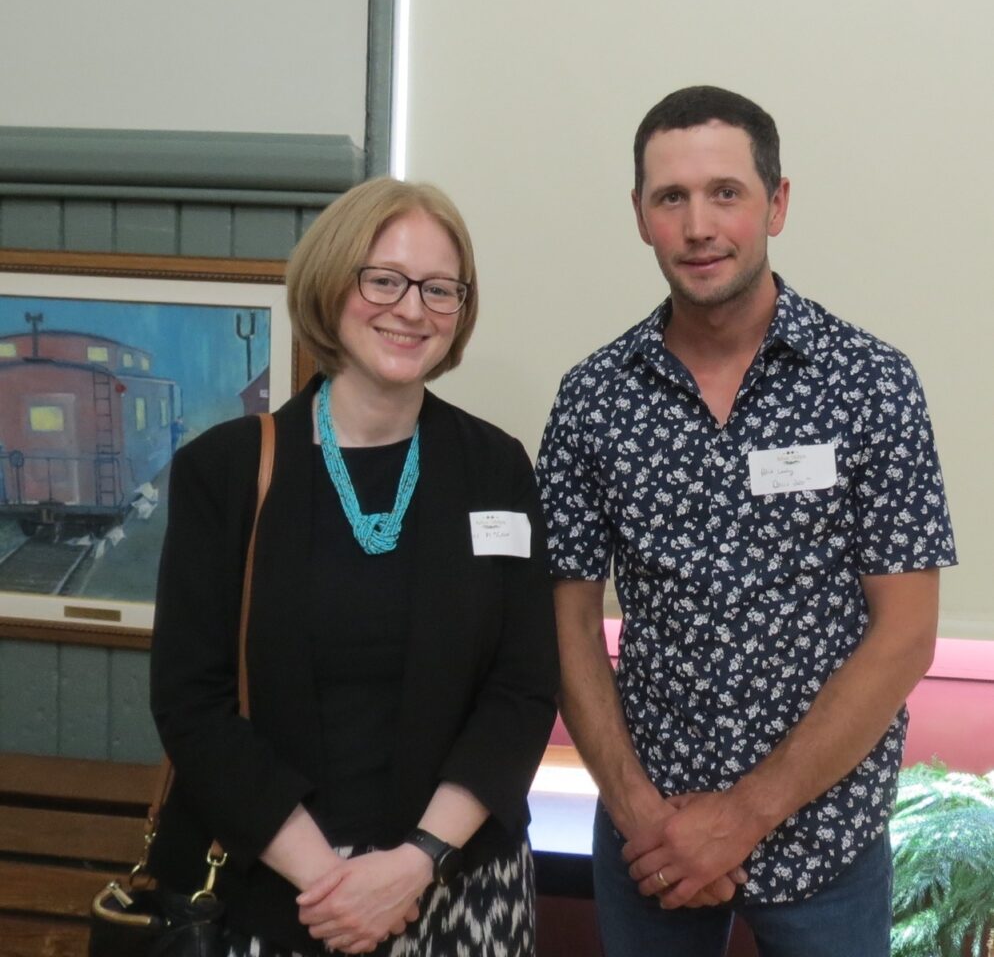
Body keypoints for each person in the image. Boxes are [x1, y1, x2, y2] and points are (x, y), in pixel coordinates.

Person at [535, 86, 956, 957]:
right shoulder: (593, 400)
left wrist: (739, 818)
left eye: (725, 192)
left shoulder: (870, 384)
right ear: (640, 217)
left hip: (826, 843)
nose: (698, 226)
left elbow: (906, 635)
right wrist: (641, 810)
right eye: (671, 198)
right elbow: (566, 620)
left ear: (777, 203)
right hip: (648, 842)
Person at [149, 177, 559, 957]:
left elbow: (523, 685)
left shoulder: (494, 469)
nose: (412, 309)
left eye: (440, 290)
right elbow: (190, 703)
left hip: (461, 894)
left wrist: (414, 864)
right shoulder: (227, 472)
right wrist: (332, 884)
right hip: (278, 897)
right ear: (334, 286)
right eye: (385, 280)